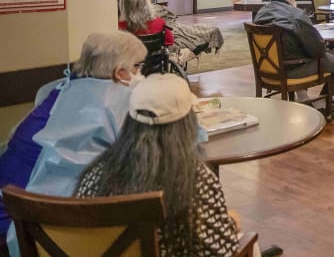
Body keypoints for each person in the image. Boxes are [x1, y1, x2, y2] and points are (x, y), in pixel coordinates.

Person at [3, 31, 147, 254]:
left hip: (18, 210)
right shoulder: (109, 105)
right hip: (37, 225)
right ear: (120, 72)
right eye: (138, 66)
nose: (140, 73)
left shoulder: (61, 93)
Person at [74, 74, 240, 256]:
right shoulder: (194, 179)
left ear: (130, 121)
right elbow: (223, 252)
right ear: (188, 124)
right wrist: (231, 225)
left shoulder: (97, 174)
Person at [254, 0, 334, 112]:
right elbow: (317, 49)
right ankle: (322, 102)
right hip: (293, 70)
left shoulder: (260, 13)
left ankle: (303, 98)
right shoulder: (296, 15)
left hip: (267, 69)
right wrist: (326, 50)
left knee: (300, 51)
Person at [140, 0, 224, 65]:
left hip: (169, 25)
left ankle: (201, 41)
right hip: (163, 30)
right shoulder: (148, 13)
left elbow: (168, 17)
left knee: (189, 30)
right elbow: (167, 33)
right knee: (180, 33)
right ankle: (195, 46)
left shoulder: (151, 9)